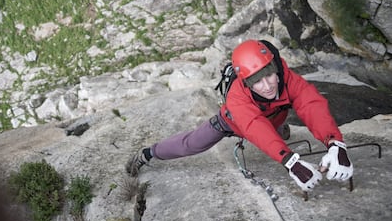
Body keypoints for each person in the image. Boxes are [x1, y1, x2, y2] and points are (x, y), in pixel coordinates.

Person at [125, 39, 353, 192]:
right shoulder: (237, 96)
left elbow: (311, 103)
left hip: (274, 117)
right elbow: (254, 127)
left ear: (276, 68)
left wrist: (334, 142)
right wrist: (289, 160)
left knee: (276, 127)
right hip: (234, 123)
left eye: (269, 76)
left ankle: (281, 130)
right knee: (192, 143)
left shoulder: (286, 77)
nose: (266, 86)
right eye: (257, 81)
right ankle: (149, 153)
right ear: (245, 82)